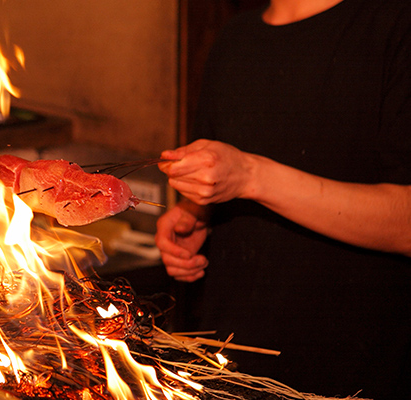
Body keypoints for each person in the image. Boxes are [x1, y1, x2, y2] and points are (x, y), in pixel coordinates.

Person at [155, 0, 411, 398]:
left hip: (352, 375)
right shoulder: (234, 37)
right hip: (228, 366)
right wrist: (197, 213)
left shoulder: (395, 25)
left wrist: (250, 176)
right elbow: (233, 173)